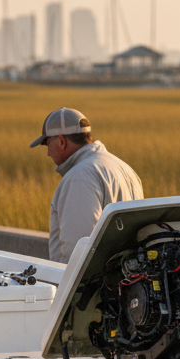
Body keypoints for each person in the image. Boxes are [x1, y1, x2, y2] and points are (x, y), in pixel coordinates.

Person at [30, 107, 143, 263]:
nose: (48, 153)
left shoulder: (79, 178)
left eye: (47, 144)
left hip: (94, 286)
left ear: (62, 141)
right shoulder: (124, 168)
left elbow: (77, 251)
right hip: (125, 280)